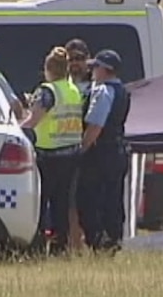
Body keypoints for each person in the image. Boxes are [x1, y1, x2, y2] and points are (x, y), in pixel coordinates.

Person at [21, 46, 84, 253]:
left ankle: (37, 246)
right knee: (62, 204)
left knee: (40, 202)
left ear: (48, 70)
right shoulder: (73, 89)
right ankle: (60, 247)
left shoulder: (47, 91)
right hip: (71, 154)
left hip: (48, 156)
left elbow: (33, 120)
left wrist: (14, 129)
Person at [76, 49, 131, 252]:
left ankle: (98, 241)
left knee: (90, 199)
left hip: (100, 155)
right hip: (117, 151)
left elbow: (95, 127)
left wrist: (81, 150)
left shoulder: (102, 91)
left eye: (95, 67)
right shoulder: (122, 91)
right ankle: (113, 240)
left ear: (105, 70)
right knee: (113, 200)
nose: (92, 71)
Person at [63, 38, 93, 249]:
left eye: (80, 59)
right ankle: (74, 245)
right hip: (67, 151)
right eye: (71, 59)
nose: (75, 64)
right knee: (70, 203)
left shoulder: (95, 87)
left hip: (91, 152)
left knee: (88, 201)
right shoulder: (61, 86)